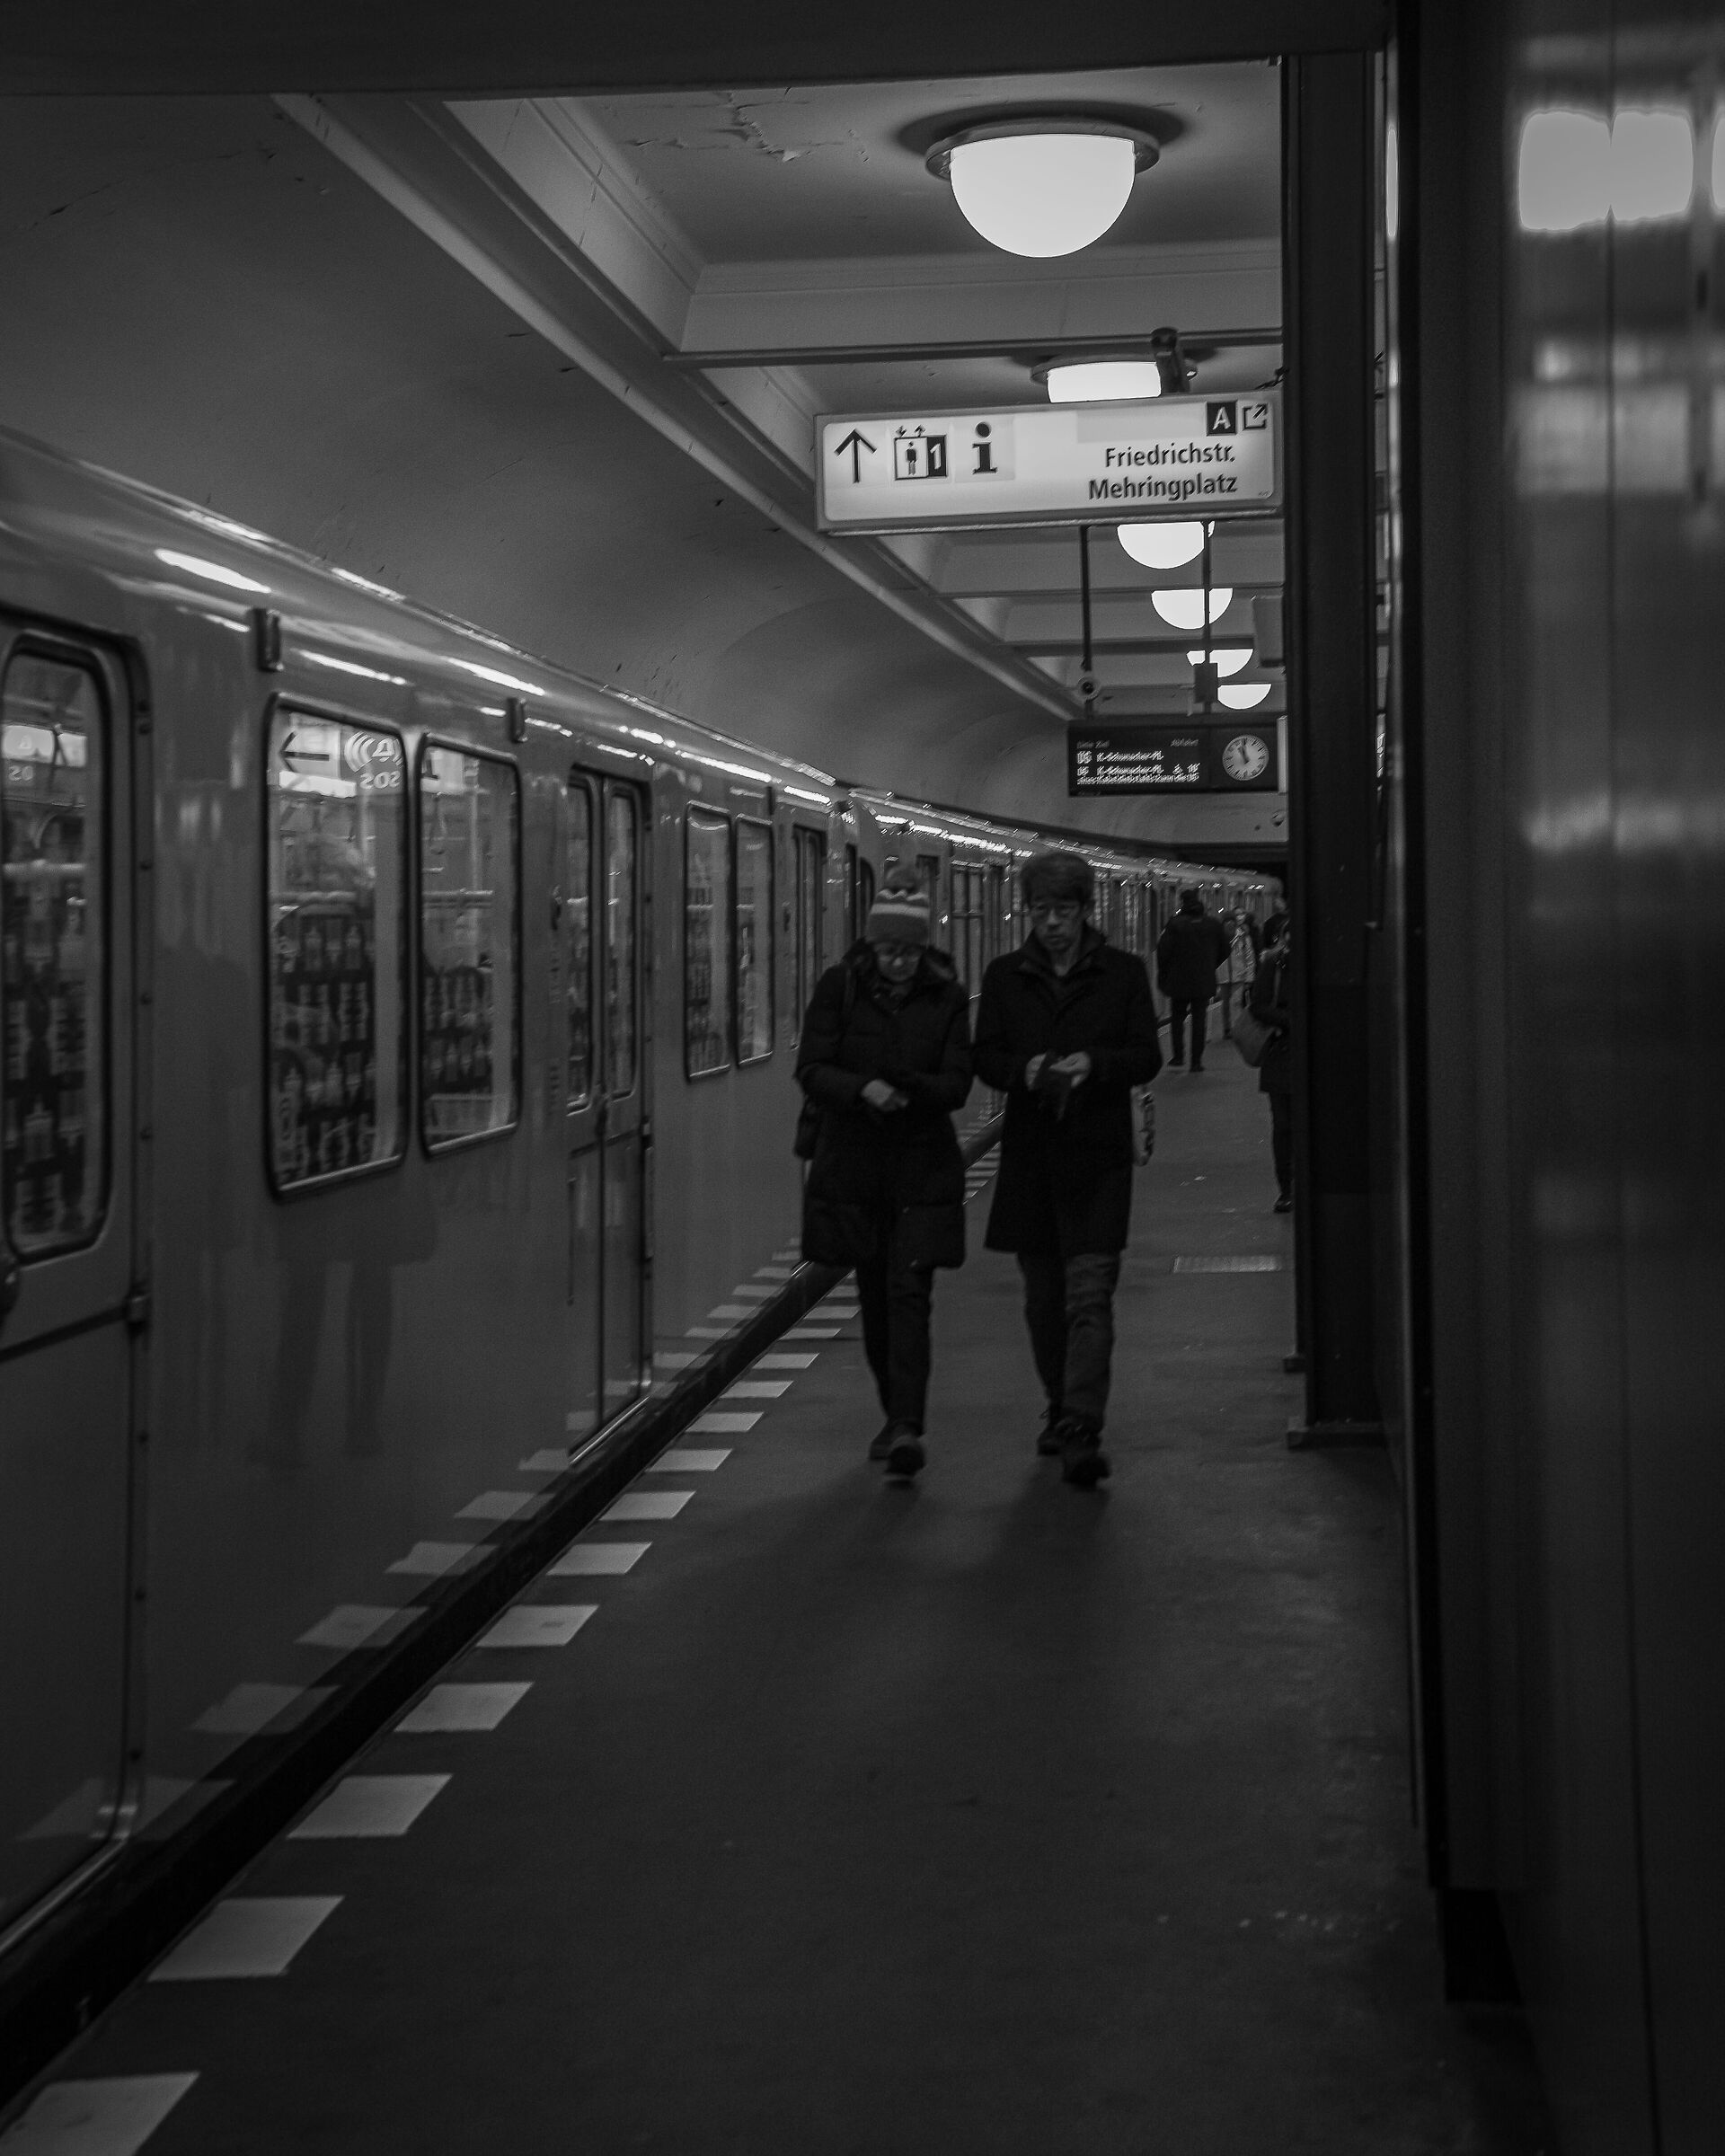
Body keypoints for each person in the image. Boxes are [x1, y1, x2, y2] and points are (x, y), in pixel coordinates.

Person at [974, 850, 1161, 1489]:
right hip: (1031, 1161)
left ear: (1086, 910)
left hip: (1098, 1159)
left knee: (1089, 1295)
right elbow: (987, 1056)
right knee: (1043, 1301)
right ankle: (1059, 1403)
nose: (1051, 923)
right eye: (1039, 910)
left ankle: (1082, 1423)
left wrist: (1094, 1064)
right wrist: (1021, 1072)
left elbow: (1145, 1056)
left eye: (1062, 910)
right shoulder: (1004, 978)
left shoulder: (1124, 974)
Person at [796, 875, 973, 1479]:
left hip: (922, 1168)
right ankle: (893, 1412)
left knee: (910, 1295)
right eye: (889, 951)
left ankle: (906, 1426)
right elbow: (812, 1068)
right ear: (871, 946)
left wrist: (910, 1088)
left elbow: (958, 1083)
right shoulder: (838, 988)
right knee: (874, 1297)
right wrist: (862, 1089)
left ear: (925, 950)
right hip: (855, 1169)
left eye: (910, 952)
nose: (899, 962)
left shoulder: (947, 997)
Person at [1154, 887, 1233, 1072]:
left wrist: (1165, 972)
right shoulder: (1213, 924)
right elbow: (1225, 949)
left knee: (1177, 1018)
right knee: (1199, 1020)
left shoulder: (1174, 925)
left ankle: (1178, 1056)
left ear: (1183, 904)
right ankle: (1196, 1061)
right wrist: (1210, 965)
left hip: (1178, 980)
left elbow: (1163, 952)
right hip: (1203, 981)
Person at [1249, 910, 1295, 1212]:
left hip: (1302, 1055)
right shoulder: (1274, 965)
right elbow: (1258, 1006)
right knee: (1284, 1125)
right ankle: (1286, 1188)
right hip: (1282, 1054)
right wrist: (1289, 1020)